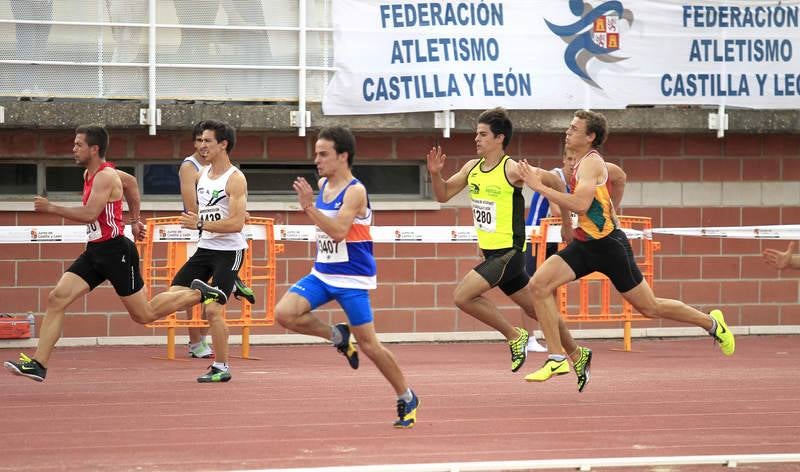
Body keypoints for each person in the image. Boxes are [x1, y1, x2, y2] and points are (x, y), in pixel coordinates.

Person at [518, 109, 735, 390]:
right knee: (538, 285)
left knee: (650, 307)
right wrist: (590, 215)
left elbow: (581, 204)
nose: (567, 132)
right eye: (569, 127)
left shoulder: (592, 164)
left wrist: (538, 187)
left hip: (609, 247)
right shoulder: (578, 163)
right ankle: (557, 358)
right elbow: (609, 182)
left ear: (590, 136)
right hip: (585, 245)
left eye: (574, 128)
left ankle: (712, 323)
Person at [3, 125, 224, 383]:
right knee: (57, 298)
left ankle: (202, 294)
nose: (73, 149)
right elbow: (131, 183)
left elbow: (89, 214)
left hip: (116, 251)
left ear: (94, 149)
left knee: (144, 314)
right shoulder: (92, 173)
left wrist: (51, 207)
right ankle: (38, 364)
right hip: (95, 251)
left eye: (78, 145)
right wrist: (135, 220)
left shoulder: (105, 176)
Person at [274, 126, 419, 428]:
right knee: (284, 314)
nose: (316, 160)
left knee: (370, 345)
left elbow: (339, 231)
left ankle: (407, 396)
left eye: (323, 154)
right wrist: (313, 206)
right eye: (316, 154)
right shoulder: (322, 185)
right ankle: (337, 336)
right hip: (322, 274)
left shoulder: (355, 191)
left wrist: (308, 207)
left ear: (343, 156)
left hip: (352, 280)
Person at [426, 107, 586, 375]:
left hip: (509, 253)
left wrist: (567, 224)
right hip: (491, 255)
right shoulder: (471, 168)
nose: (476, 139)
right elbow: (443, 195)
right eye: (476, 134)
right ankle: (577, 354)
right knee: (538, 311)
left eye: (482, 134)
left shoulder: (512, 169)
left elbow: (557, 183)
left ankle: (514, 336)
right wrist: (434, 174)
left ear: (499, 138)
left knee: (462, 296)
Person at [522, 149, 627, 352]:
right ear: (563, 160)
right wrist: (582, 209)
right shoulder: (556, 177)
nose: (572, 163)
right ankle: (530, 338)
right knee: (530, 286)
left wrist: (610, 209)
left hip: (558, 236)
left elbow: (620, 176)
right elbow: (556, 210)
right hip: (536, 235)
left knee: (549, 287)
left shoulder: (589, 171)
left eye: (575, 159)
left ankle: (553, 338)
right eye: (569, 159)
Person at [179, 121, 255, 359]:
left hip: (229, 250)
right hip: (205, 246)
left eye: (207, 141)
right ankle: (222, 285)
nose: (202, 145)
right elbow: (197, 208)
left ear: (223, 144)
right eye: (199, 140)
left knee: (213, 311)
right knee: (177, 294)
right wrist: (203, 220)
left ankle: (216, 360)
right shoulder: (198, 172)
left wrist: (202, 223)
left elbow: (235, 224)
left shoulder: (235, 178)